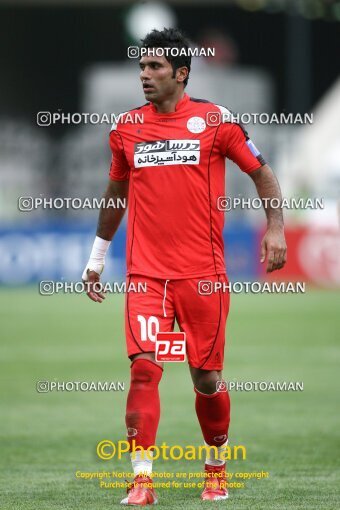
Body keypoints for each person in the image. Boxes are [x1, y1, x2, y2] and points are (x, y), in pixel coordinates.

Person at [82, 27, 287, 506]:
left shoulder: (215, 121)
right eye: (141, 67)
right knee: (143, 370)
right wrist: (97, 256)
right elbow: (116, 194)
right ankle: (142, 481)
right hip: (146, 276)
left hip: (204, 277)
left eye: (154, 67)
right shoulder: (126, 128)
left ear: (181, 73)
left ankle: (215, 469)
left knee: (206, 379)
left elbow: (261, 172)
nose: (144, 75)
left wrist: (275, 228)